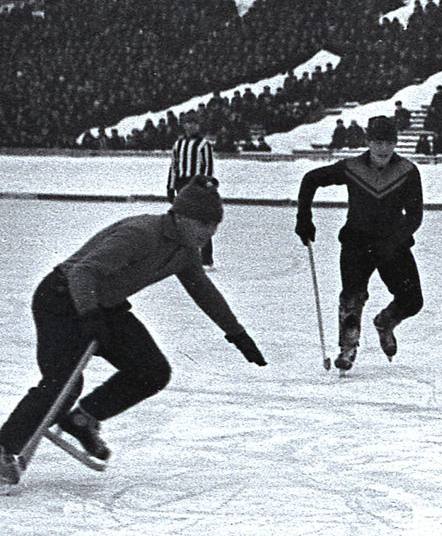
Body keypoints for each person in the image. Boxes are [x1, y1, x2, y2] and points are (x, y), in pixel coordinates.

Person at [0, 178, 266, 484]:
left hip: (106, 305)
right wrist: (88, 315)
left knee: (152, 370)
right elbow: (83, 272)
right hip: (62, 297)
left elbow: (203, 291)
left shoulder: (185, 250)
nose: (210, 233)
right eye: (204, 224)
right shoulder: (142, 233)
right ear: (181, 216)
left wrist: (237, 334)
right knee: (63, 383)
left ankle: (82, 419)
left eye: (215, 225)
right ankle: (5, 447)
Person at [294, 116, 424, 371]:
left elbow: (415, 215)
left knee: (412, 300)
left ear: (396, 143)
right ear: (368, 142)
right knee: (352, 297)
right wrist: (304, 218)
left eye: (389, 143)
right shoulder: (352, 167)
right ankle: (348, 346)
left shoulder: (407, 171)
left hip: (392, 244)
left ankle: (385, 322)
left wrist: (395, 240)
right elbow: (311, 179)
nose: (383, 149)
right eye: (378, 142)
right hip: (357, 240)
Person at [167, 112, 216, 267]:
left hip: (196, 184)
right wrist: (170, 186)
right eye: (187, 123)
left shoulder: (204, 145)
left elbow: (208, 168)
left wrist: (206, 188)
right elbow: (173, 166)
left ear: (198, 126)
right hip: (181, 185)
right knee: (181, 221)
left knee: (200, 220)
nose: (190, 126)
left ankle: (206, 258)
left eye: (193, 123)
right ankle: (184, 257)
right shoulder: (178, 144)